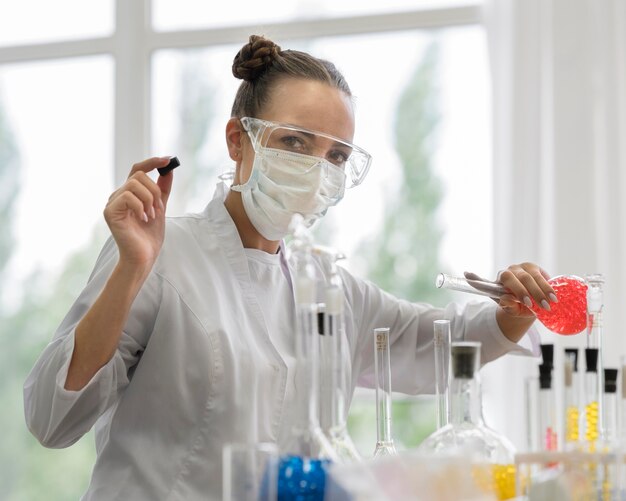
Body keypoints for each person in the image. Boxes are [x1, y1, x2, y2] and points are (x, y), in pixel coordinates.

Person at [24, 35, 555, 500]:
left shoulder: (331, 289)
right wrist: (130, 269)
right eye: (295, 143)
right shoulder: (160, 251)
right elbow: (53, 417)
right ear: (239, 139)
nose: (316, 170)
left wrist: (515, 310)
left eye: (336, 156)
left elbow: (447, 344)